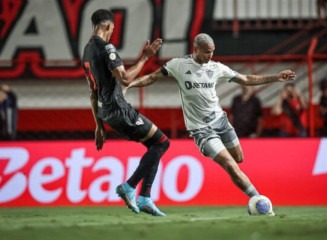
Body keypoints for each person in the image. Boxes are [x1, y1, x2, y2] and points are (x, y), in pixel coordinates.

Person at [123, 33, 296, 215]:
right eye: (206, 52)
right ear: (195, 49)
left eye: (212, 52)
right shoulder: (179, 65)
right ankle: (259, 200)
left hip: (221, 122)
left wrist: (276, 77)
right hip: (201, 130)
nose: (210, 56)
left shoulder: (216, 67)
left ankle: (231, 168)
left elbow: (245, 79)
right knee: (230, 164)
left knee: (238, 158)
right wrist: (130, 85)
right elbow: (152, 77)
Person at [82, 9, 169, 216]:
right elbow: (126, 79)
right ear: (107, 26)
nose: (112, 32)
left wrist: (98, 126)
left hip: (107, 113)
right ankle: (130, 187)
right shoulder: (107, 48)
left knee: (154, 146)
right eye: (112, 28)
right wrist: (145, 58)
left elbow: (92, 92)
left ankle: (145, 197)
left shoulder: (86, 51)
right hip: (119, 110)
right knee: (163, 142)